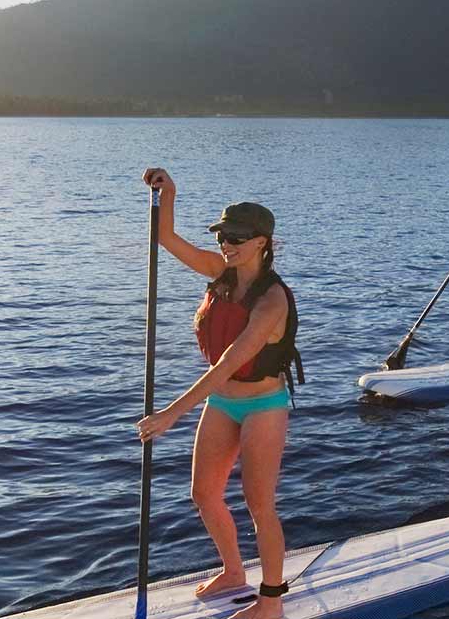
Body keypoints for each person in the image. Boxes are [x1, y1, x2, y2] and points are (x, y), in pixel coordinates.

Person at [136, 168, 302, 619]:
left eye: (238, 237)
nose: (227, 244)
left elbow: (230, 361)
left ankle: (271, 606)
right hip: (222, 401)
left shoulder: (272, 301)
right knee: (204, 493)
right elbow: (166, 239)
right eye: (223, 234)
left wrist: (171, 413)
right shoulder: (220, 272)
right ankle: (233, 571)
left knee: (259, 505)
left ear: (263, 242)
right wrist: (169, 192)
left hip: (263, 405)